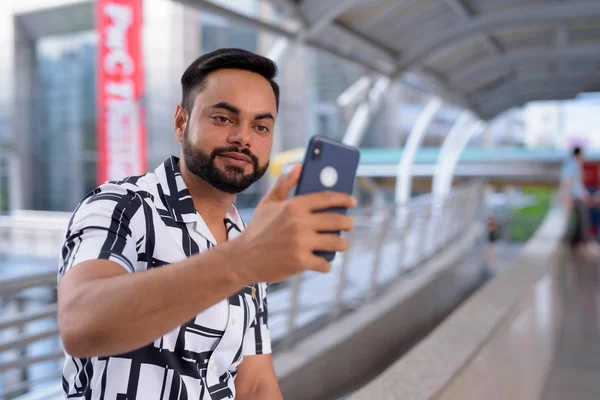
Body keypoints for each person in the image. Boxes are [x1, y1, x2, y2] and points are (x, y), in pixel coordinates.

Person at [57, 48, 356, 400]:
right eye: (223, 118)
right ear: (181, 122)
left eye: (260, 126)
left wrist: (246, 256)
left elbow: (255, 383)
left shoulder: (244, 236)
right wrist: (243, 260)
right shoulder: (122, 204)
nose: (243, 138)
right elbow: (81, 326)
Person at [560, 146, 600, 256]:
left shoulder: (575, 165)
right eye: (582, 155)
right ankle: (586, 244)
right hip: (575, 198)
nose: (583, 158)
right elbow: (568, 183)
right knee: (584, 219)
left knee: (579, 221)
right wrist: (567, 198)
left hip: (578, 197)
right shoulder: (572, 165)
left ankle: (575, 243)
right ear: (577, 155)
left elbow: (576, 184)